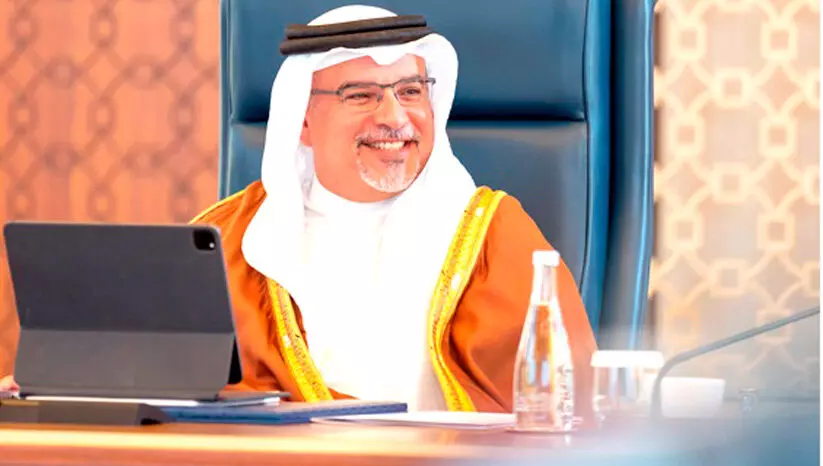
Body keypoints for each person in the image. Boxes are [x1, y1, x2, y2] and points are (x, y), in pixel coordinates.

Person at [1, 5, 597, 417]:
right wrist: (64, 384)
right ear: (303, 121)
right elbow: (150, 378)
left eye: (411, 91)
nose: (395, 117)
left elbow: (578, 413)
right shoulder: (233, 240)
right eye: (361, 95)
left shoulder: (493, 234)